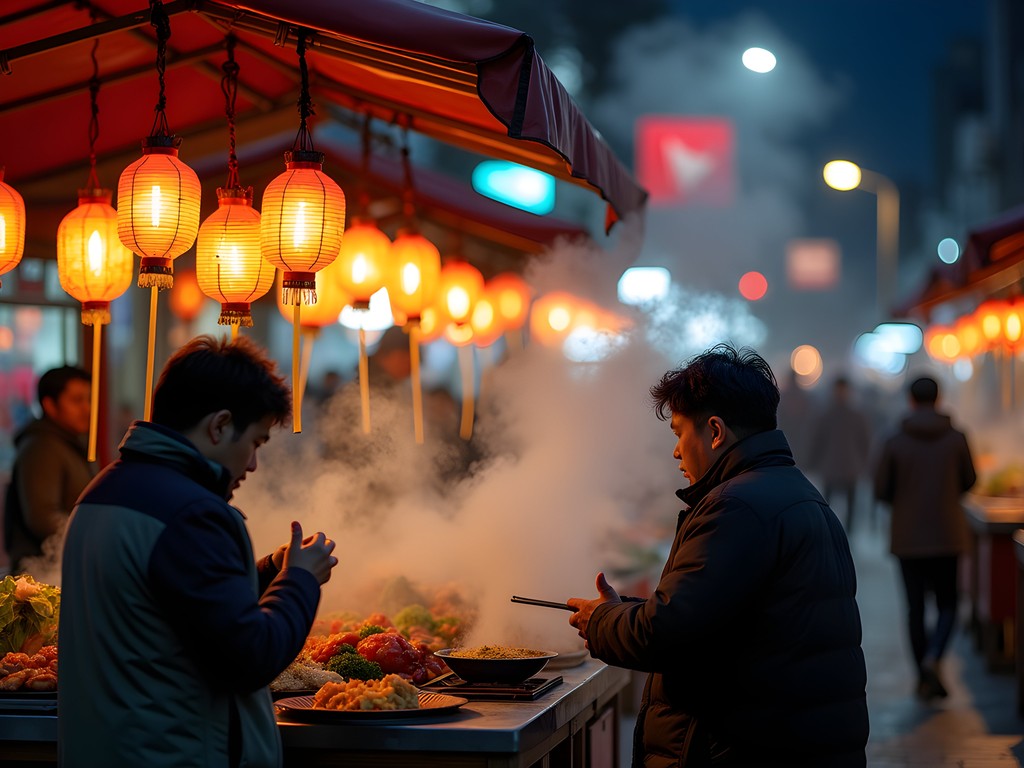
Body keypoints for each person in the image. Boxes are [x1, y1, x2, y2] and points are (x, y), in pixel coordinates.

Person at [567, 344, 868, 767]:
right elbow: (721, 618)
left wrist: (601, 621)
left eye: (678, 433)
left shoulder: (736, 508)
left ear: (714, 431)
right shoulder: (795, 493)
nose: (675, 452)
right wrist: (628, 611)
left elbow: (668, 633)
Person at [58, 336, 339, 768]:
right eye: (257, 443)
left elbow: (172, 604)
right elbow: (250, 658)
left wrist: (268, 570)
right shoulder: (191, 513)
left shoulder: (103, 492)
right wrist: (300, 580)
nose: (252, 465)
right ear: (220, 425)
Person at [873, 375, 976, 701]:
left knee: (914, 609)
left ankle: (922, 674)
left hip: (908, 538)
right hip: (947, 534)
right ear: (939, 398)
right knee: (949, 604)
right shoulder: (957, 438)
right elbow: (969, 480)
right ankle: (934, 658)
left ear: (911, 400)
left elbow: (881, 489)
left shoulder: (894, 440)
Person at [3, 365, 95, 576]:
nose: (87, 408)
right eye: (77, 400)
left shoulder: (66, 443)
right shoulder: (42, 446)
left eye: (88, 399)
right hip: (41, 574)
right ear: (50, 405)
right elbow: (42, 516)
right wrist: (92, 538)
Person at [809, 376, 872, 533]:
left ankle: (847, 534)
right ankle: (830, 531)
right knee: (827, 504)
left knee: (848, 504)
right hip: (832, 466)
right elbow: (817, 441)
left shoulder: (855, 416)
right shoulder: (826, 415)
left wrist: (862, 462)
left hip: (848, 467)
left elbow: (864, 442)